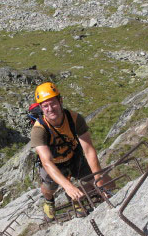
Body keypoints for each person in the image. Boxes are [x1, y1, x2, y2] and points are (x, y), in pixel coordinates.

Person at [30, 82, 109, 219]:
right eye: (45, 106)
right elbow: (47, 162)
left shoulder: (75, 119)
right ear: (41, 108)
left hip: (74, 157)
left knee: (108, 184)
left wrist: (99, 179)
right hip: (53, 165)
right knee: (49, 189)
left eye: (53, 103)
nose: (50, 108)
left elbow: (89, 151)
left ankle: (76, 197)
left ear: (60, 101)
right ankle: (49, 201)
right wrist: (68, 186)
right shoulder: (39, 130)